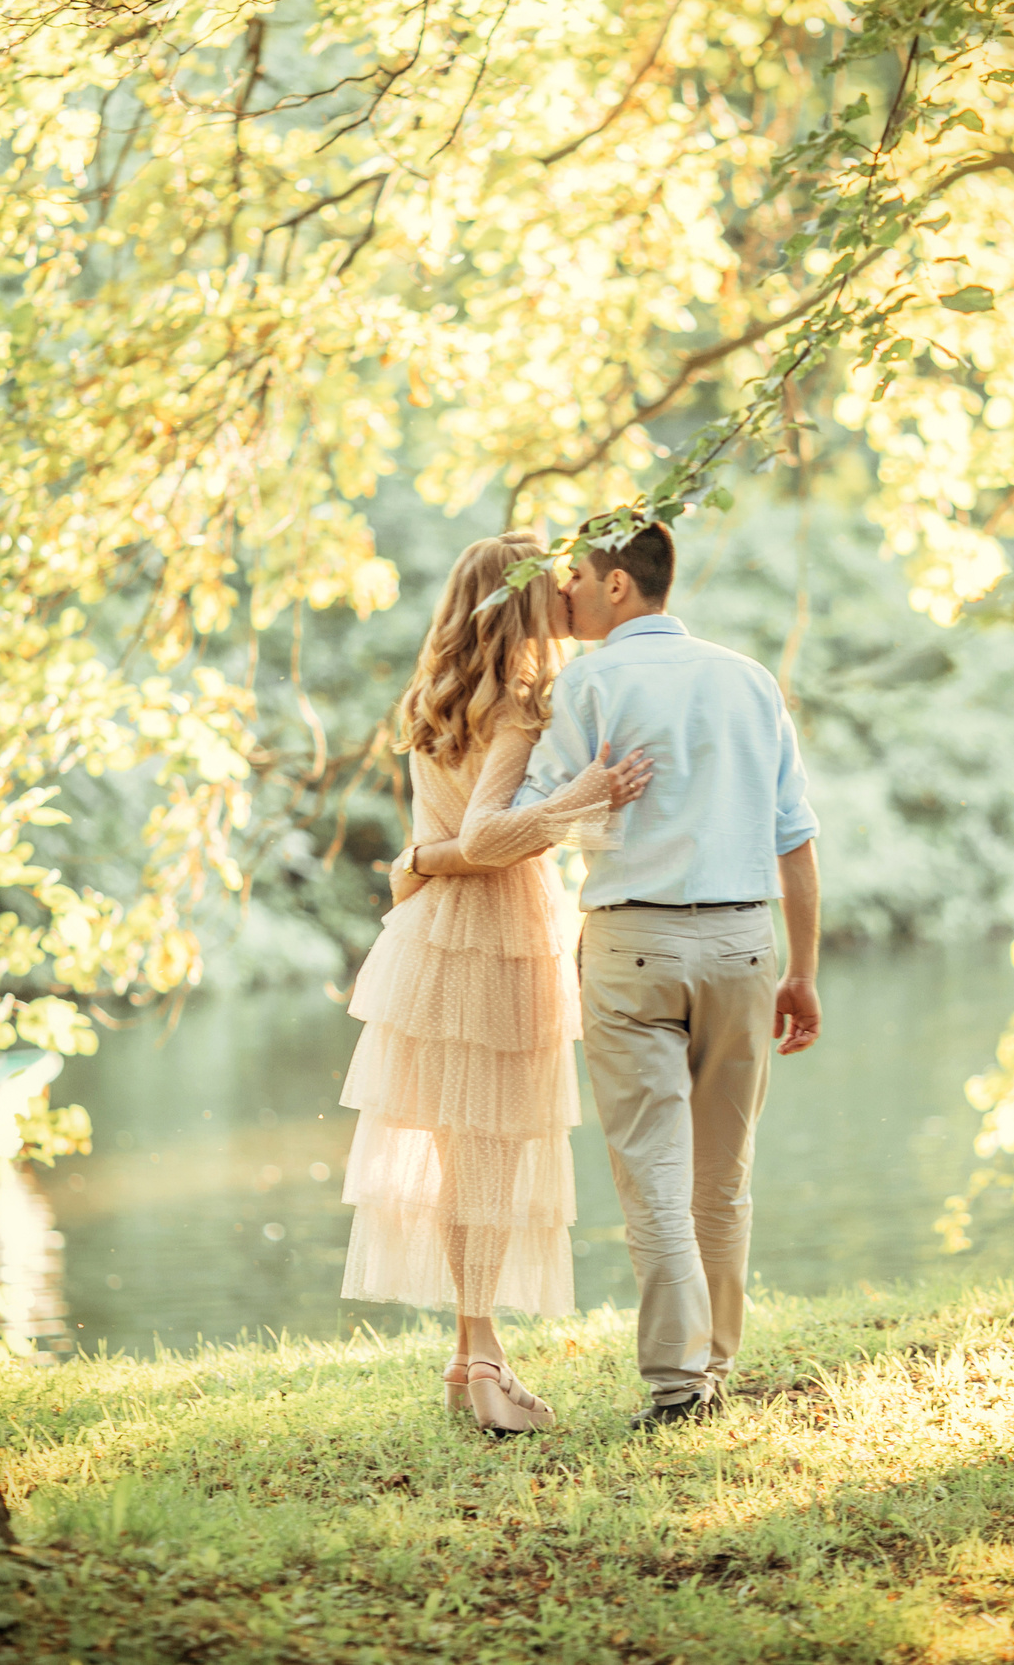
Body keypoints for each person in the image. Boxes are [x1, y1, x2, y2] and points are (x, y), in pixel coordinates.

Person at [336, 532, 653, 1436]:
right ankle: (483, 1361)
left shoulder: (432, 698)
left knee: (462, 1156)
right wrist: (584, 795)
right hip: (495, 937)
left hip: (434, 936)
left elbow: (441, 844)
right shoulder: (517, 707)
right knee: (492, 1158)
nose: (566, 598)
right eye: (553, 587)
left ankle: (472, 1353)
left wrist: (415, 858)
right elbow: (485, 838)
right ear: (518, 601)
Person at [513, 520, 822, 1431]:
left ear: (619, 587)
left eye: (574, 576)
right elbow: (795, 841)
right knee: (722, 1179)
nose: (561, 591)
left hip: (632, 947)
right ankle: (713, 1365)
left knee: (653, 1174)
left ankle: (680, 1387)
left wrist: (572, 796)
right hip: (743, 947)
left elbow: (536, 817)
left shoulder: (592, 680)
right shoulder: (750, 680)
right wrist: (802, 971)